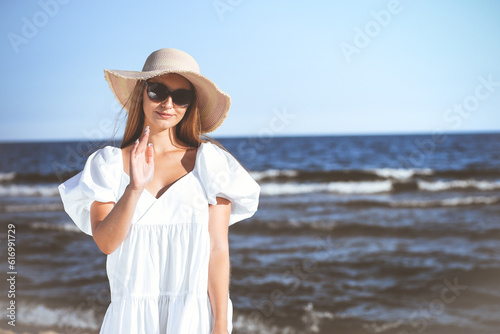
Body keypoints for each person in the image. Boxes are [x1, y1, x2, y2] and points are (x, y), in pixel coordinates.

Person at [58, 48, 261, 334]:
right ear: (142, 92)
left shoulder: (212, 165)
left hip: (195, 319)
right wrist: (134, 188)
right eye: (158, 91)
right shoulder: (110, 165)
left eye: (181, 97)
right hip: (130, 321)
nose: (168, 103)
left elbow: (217, 250)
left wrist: (219, 324)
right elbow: (106, 243)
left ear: (190, 105)